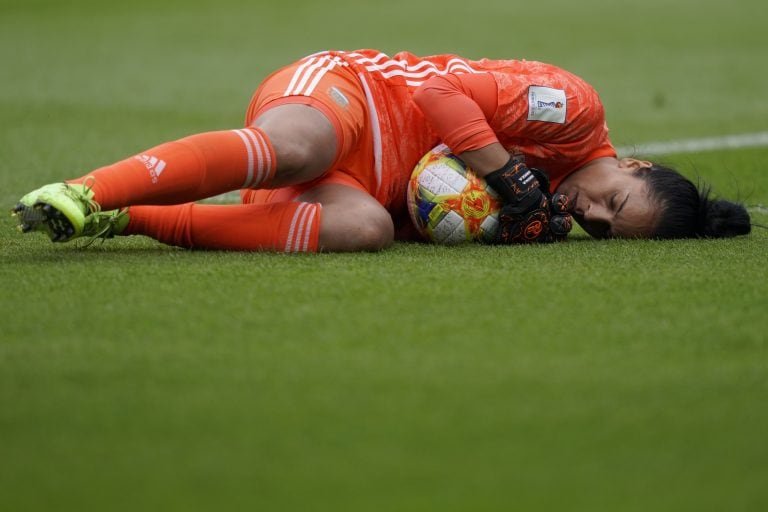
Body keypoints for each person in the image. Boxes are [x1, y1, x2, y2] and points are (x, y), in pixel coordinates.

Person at [11, 49, 751, 252]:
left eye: (598, 226)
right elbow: (439, 96)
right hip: (349, 97)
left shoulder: (542, 218)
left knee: (363, 231)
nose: (585, 210)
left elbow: (421, 212)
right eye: (611, 200)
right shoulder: (573, 111)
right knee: (298, 146)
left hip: (362, 188)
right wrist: (509, 173)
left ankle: (130, 217)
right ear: (636, 165)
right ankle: (89, 189)